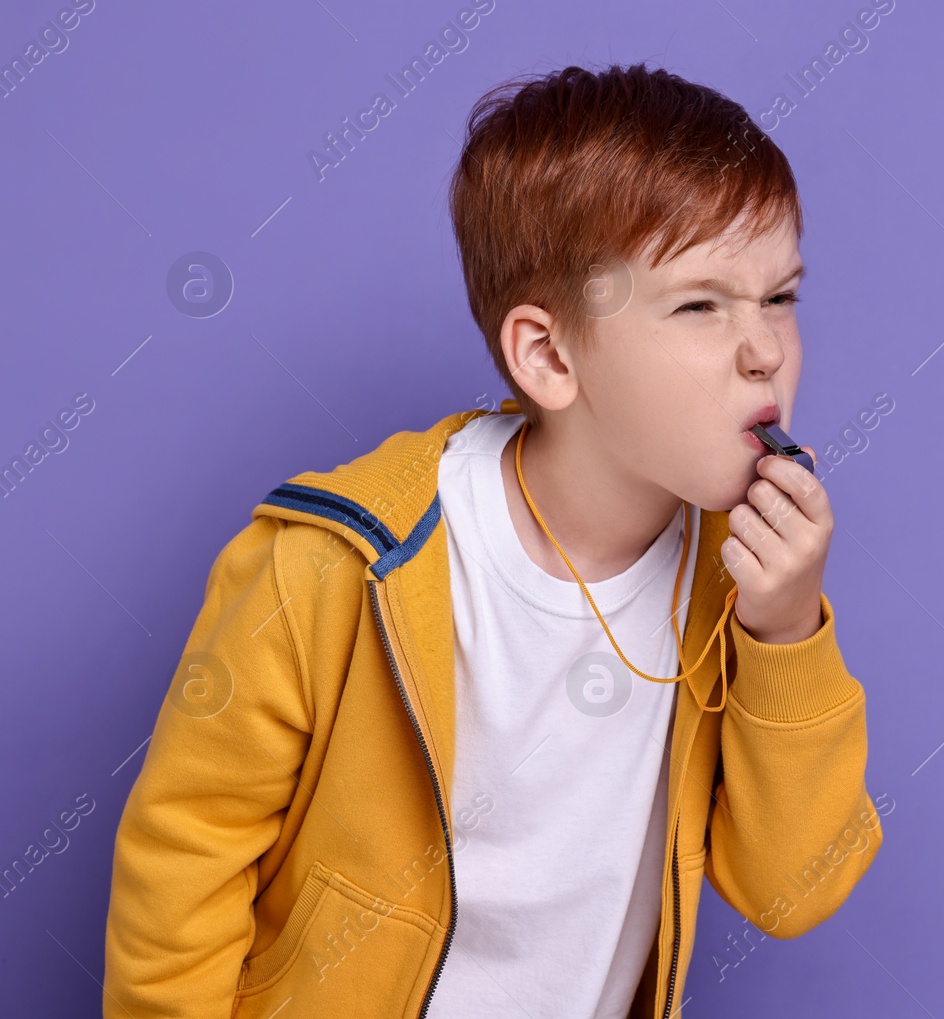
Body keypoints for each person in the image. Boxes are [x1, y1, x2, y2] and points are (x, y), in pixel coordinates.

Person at [102, 63, 884, 1018]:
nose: (765, 348)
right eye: (700, 305)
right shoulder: (336, 561)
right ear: (549, 357)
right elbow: (185, 852)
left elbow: (795, 888)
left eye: (780, 297)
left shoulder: (739, 583)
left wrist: (786, 631)